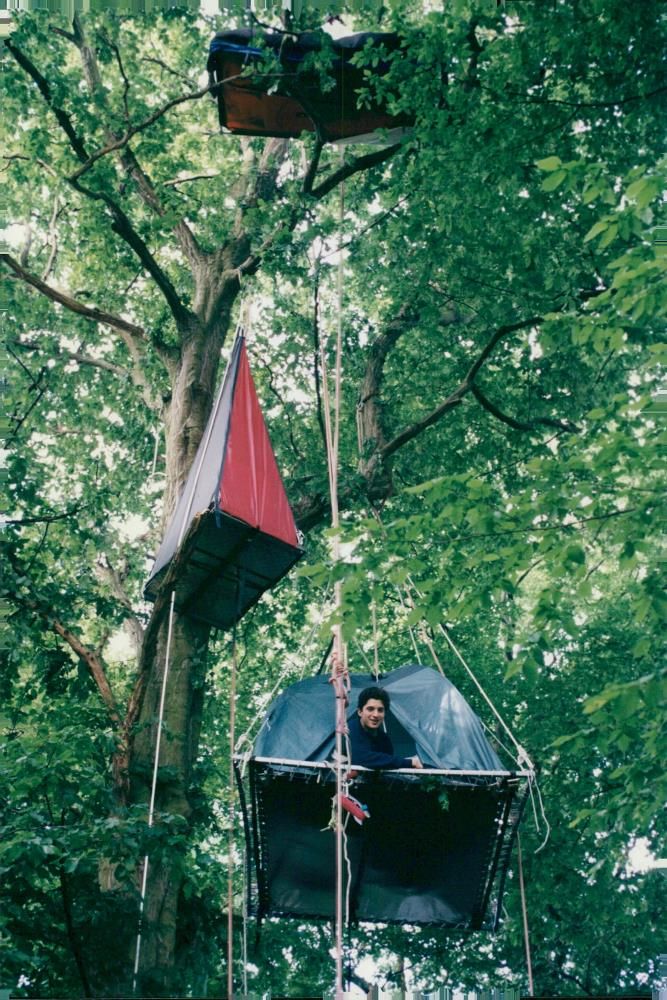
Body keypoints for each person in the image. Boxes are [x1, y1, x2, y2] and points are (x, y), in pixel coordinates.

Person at [348, 686, 423, 770]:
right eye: (370, 709)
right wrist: (411, 762)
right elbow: (360, 757)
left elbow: (387, 762)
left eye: (380, 710)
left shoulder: (383, 739)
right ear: (360, 712)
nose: (375, 715)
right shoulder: (349, 730)